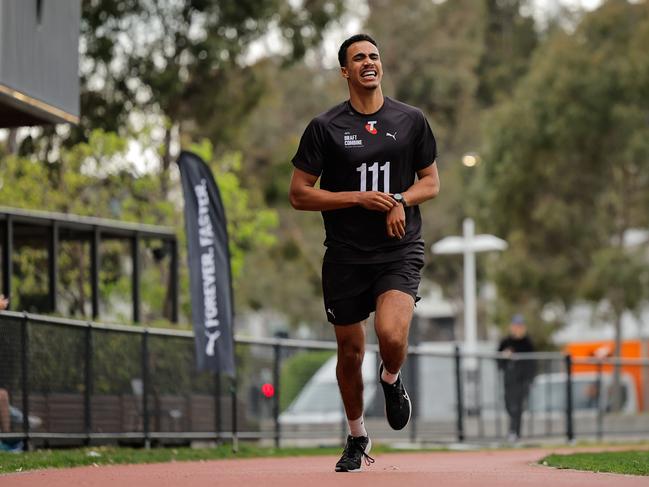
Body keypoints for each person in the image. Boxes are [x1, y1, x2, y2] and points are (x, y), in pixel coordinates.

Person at [289, 33, 439, 472]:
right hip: (346, 256)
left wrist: (399, 201)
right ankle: (357, 436)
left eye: (374, 56)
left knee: (391, 337)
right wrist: (358, 198)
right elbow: (299, 194)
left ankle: (391, 379)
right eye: (359, 58)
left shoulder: (411, 120)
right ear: (345, 71)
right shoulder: (325, 127)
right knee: (350, 353)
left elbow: (431, 182)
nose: (368, 62)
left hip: (398, 249)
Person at [497, 314, 536, 443]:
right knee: (509, 405)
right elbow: (498, 359)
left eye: (520, 326)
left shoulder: (527, 343)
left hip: (523, 380)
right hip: (509, 380)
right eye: (516, 325)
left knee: (517, 407)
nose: (518, 328)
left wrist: (530, 379)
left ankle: (514, 432)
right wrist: (504, 357)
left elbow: (533, 362)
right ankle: (513, 432)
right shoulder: (506, 341)